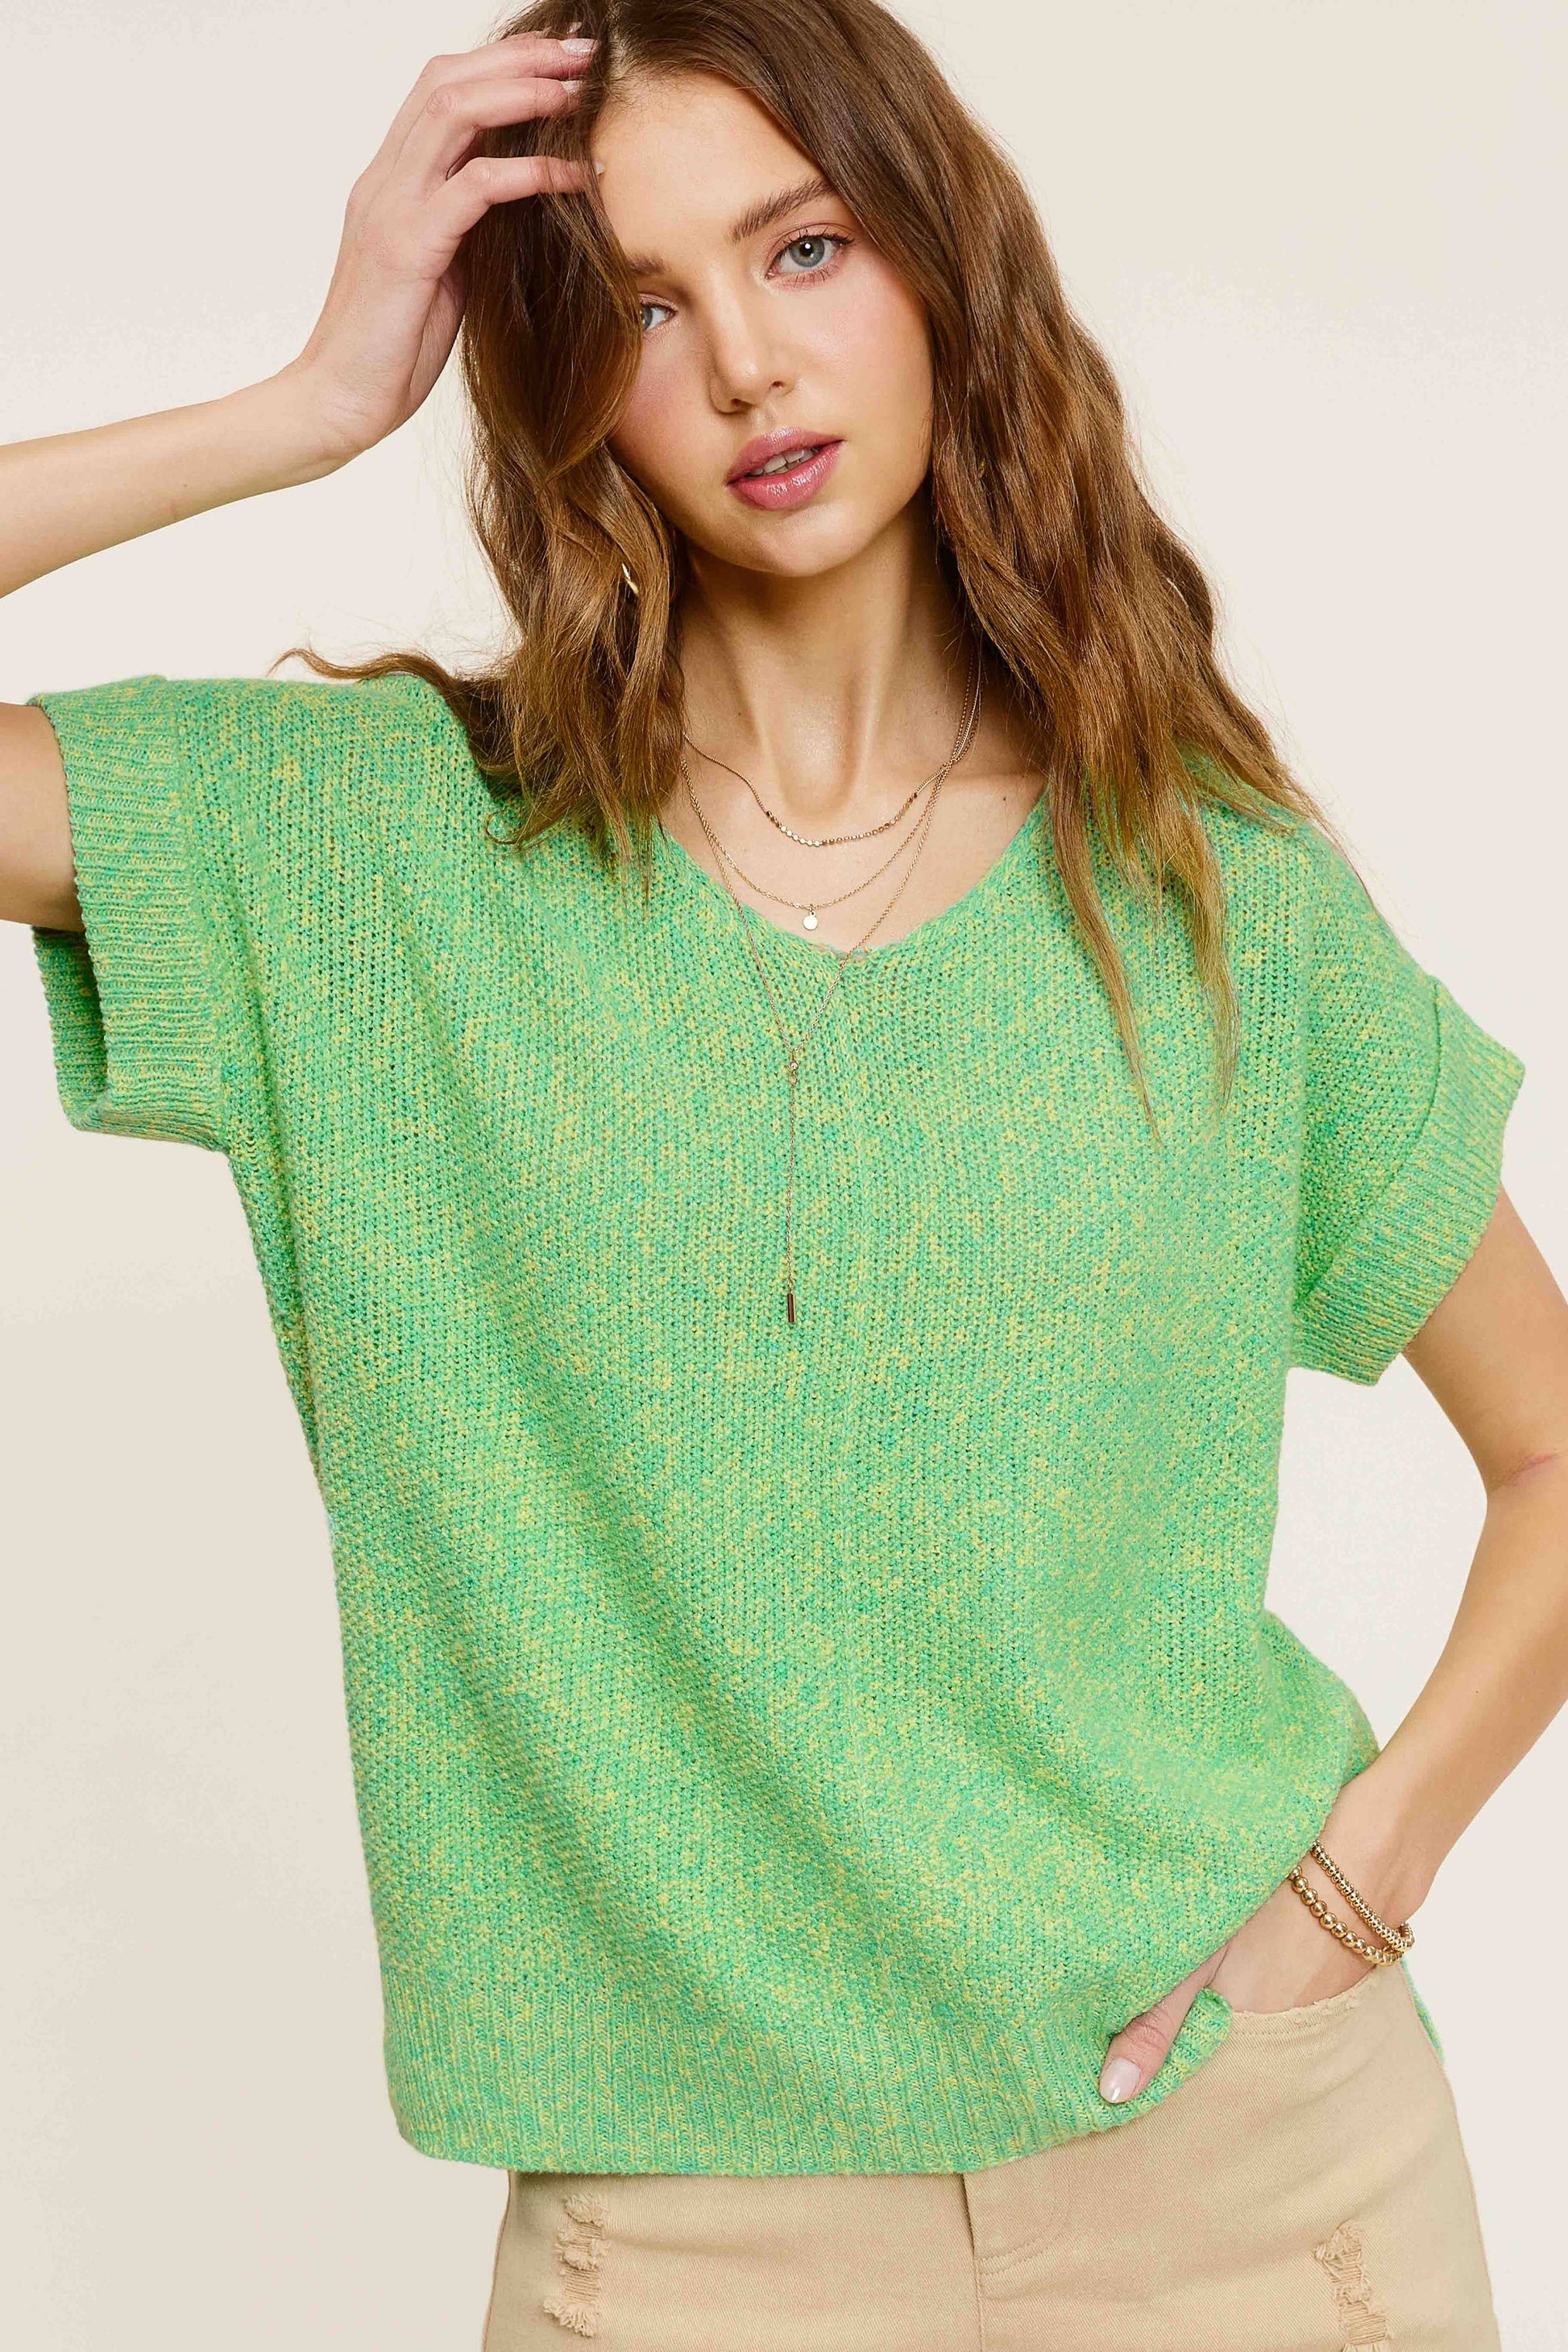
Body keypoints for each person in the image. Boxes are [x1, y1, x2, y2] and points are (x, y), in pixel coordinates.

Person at [2, 2, 1561, 2344]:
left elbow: (1551, 1445)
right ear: (563, 386)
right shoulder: (370, 864)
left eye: (803, 246)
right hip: (688, 2247)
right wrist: (307, 404)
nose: (743, 362)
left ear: (938, 263)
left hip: (1254, 2187)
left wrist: (1358, 1884)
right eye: (639, 306)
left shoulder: (1204, 893)